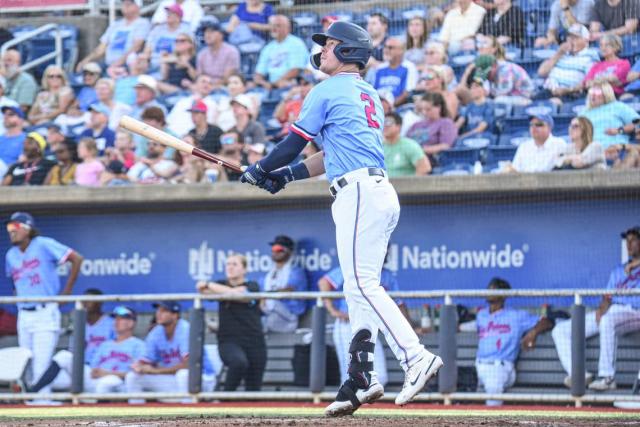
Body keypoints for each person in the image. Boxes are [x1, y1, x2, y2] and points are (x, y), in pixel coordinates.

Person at [239, 21, 443, 416]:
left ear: (349, 51)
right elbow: (327, 155)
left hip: (359, 195)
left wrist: (260, 168)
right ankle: (360, 378)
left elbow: (294, 143)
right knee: (357, 288)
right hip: (375, 190)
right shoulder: (368, 93)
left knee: (363, 284)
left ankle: (415, 357)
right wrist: (284, 175)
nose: (323, 50)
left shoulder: (327, 89)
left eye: (330, 44)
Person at [4, 212, 83, 402]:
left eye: (15, 227)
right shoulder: (10, 254)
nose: (11, 232)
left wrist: (67, 292)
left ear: (27, 228)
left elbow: (77, 258)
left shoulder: (43, 244)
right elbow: (15, 282)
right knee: (26, 362)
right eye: (8, 229)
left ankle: (42, 404)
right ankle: (32, 401)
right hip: (24, 313)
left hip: (45, 311)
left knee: (42, 362)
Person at [552, 227, 640, 391]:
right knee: (560, 330)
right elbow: (607, 297)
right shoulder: (618, 271)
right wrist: (601, 310)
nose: (629, 245)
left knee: (608, 320)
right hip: (614, 311)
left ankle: (607, 378)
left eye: (633, 240)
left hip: (635, 311)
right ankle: (579, 374)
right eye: (627, 241)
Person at [319, 258, 412, 388]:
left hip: (370, 327)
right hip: (348, 325)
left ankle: (363, 402)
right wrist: (332, 310)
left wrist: (410, 328)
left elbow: (399, 304)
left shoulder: (387, 275)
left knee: (380, 377)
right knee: (349, 377)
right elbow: (324, 282)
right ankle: (349, 405)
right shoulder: (352, 269)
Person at [28, 306, 144, 396]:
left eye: (121, 319)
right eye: (116, 318)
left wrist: (107, 373)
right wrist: (95, 372)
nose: (116, 321)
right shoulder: (105, 344)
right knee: (64, 356)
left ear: (131, 323)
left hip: (116, 382)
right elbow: (93, 367)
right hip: (95, 380)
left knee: (107, 382)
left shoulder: (138, 345)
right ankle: (32, 393)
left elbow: (136, 374)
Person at [475, 278, 552, 406]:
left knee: (493, 388)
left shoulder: (515, 316)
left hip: (499, 367)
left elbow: (546, 321)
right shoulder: (481, 315)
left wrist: (533, 332)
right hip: (478, 365)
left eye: (493, 289)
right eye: (489, 288)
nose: (489, 291)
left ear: (503, 295)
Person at [196, 254, 266, 391]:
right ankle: (225, 400)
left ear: (244, 269)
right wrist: (224, 290)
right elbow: (202, 290)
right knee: (238, 362)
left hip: (254, 340)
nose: (230, 267)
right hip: (229, 340)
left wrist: (210, 284)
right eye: (228, 264)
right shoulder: (221, 284)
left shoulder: (253, 285)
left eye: (235, 264)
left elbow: (242, 295)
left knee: (253, 389)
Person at [27, 288, 116, 393]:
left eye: (89, 300)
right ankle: (32, 393)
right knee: (49, 372)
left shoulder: (111, 323)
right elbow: (73, 351)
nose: (85, 303)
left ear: (99, 303)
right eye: (84, 300)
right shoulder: (80, 324)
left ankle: (33, 393)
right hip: (82, 369)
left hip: (101, 371)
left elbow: (116, 349)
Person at [125, 301, 215, 402]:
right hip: (173, 380)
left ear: (175, 315)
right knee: (133, 377)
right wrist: (139, 366)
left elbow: (189, 365)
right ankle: (136, 416)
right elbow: (146, 360)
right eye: (158, 310)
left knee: (183, 374)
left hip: (202, 380)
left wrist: (156, 371)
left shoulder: (185, 329)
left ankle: (189, 414)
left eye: (164, 311)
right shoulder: (156, 332)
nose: (158, 313)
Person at [76, 0, 150, 70]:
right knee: (87, 70)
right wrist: (85, 61)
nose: (125, 6)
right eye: (124, 3)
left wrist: (117, 64)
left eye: (130, 3)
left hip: (127, 66)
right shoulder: (115, 24)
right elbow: (101, 48)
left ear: (138, 6)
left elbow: (136, 47)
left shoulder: (143, 23)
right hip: (107, 64)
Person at [536, 24, 600, 100]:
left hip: (569, 94)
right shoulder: (561, 53)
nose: (571, 40)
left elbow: (589, 83)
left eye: (576, 38)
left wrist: (567, 90)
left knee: (552, 103)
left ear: (586, 40)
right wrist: (559, 53)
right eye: (569, 37)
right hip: (547, 90)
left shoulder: (590, 57)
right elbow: (541, 72)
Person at [260, 235, 309, 334]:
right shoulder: (269, 274)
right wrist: (262, 299)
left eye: (279, 249)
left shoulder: (296, 271)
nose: (275, 252)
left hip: (290, 317)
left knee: (270, 307)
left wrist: (267, 295)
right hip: (271, 314)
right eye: (273, 249)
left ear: (289, 251)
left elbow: (289, 289)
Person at [253, 15, 309, 91]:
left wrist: (276, 83)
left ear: (288, 28)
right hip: (271, 85)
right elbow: (258, 73)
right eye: (272, 26)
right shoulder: (268, 47)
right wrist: (263, 83)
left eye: (278, 26)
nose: (274, 28)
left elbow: (296, 70)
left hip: (292, 84)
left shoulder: (296, 43)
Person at [579, 82, 639, 148]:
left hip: (614, 147)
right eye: (591, 92)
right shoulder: (583, 113)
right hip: (590, 150)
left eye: (597, 92)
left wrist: (618, 130)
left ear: (606, 94)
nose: (593, 95)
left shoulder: (617, 106)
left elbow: (637, 123)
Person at [406, 92, 458, 163]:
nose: (424, 112)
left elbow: (445, 146)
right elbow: (405, 142)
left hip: (432, 160)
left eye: (428, 109)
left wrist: (420, 150)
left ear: (438, 107)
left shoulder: (446, 123)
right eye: (422, 109)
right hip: (409, 159)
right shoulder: (416, 124)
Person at [367, 37, 418, 107]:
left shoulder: (409, 67)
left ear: (401, 50)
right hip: (378, 106)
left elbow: (406, 93)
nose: (386, 50)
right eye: (385, 47)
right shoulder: (379, 68)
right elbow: (373, 91)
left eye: (390, 48)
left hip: (399, 107)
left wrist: (389, 107)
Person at [144, 3, 191, 72]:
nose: (168, 15)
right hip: (151, 61)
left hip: (171, 63)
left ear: (179, 17)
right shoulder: (158, 28)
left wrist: (168, 57)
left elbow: (187, 53)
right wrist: (145, 57)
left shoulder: (186, 30)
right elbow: (148, 47)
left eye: (172, 13)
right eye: (168, 13)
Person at [383, 112, 431, 177]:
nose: (385, 126)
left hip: (403, 185)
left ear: (398, 127)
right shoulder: (378, 146)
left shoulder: (409, 145)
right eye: (382, 122)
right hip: (381, 185)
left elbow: (424, 167)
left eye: (388, 123)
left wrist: (412, 185)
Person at [196, 21, 240, 87]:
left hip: (225, 89)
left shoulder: (231, 51)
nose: (207, 35)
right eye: (205, 32)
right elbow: (200, 77)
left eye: (211, 32)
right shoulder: (202, 54)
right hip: (205, 89)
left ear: (221, 34)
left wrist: (209, 86)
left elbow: (227, 79)